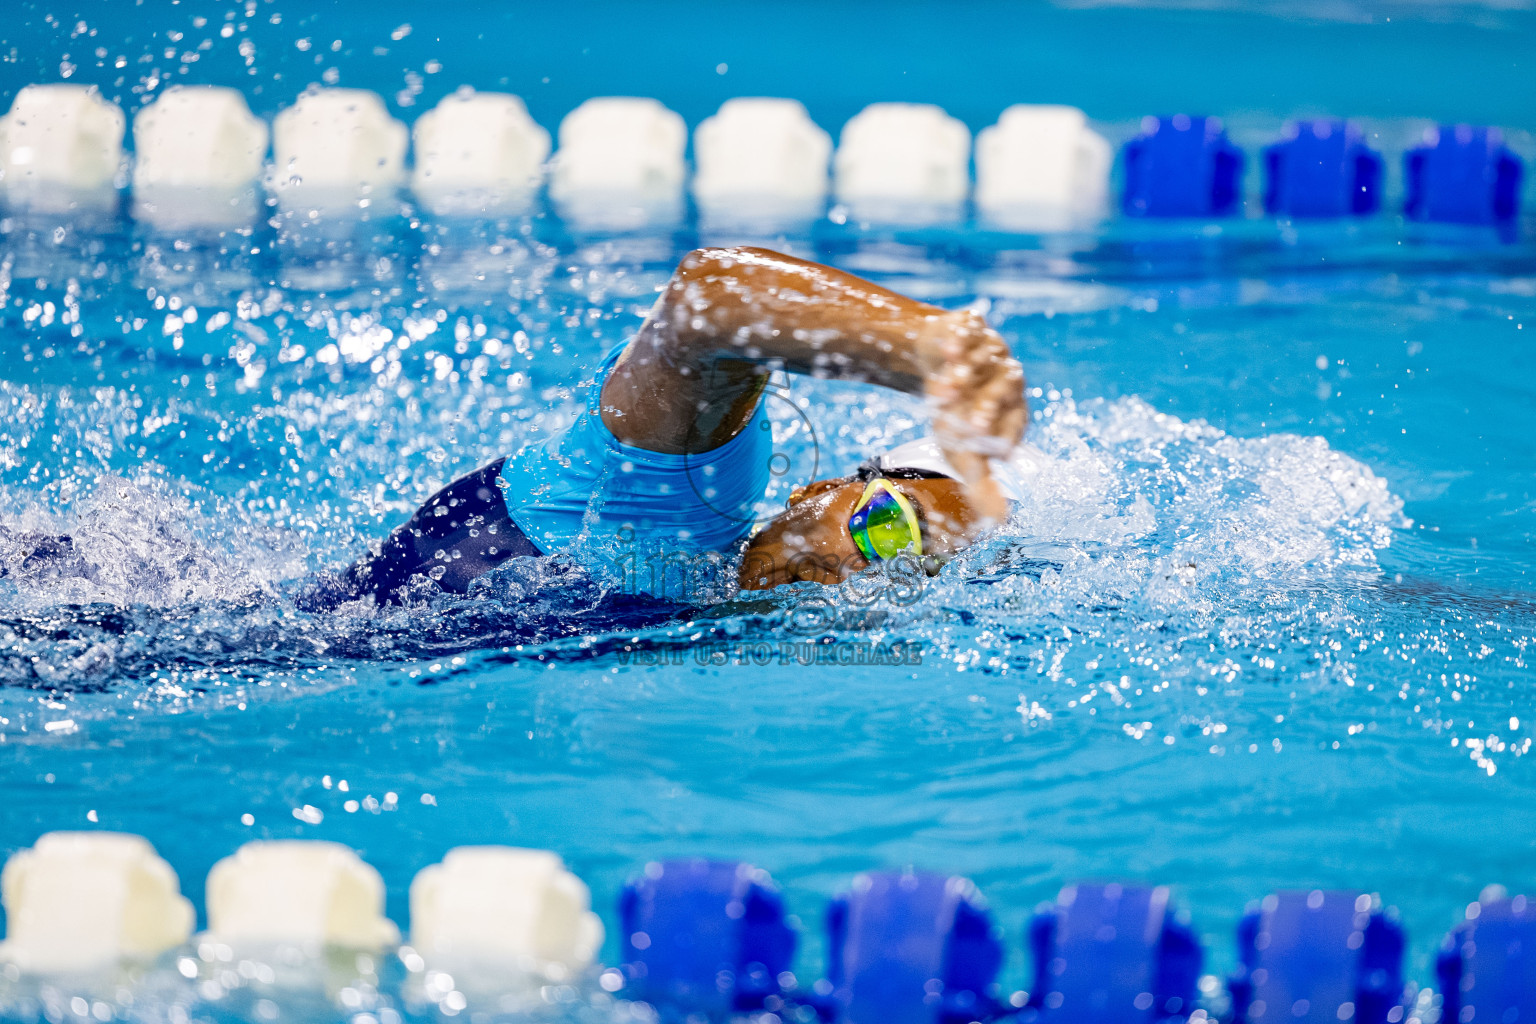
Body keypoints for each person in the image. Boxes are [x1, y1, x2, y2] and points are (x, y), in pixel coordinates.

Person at [313, 246, 1027, 606]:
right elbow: (712, 295)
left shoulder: (712, 610)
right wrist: (930, 344)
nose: (865, 571)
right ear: (822, 488)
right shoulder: (689, 497)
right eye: (890, 527)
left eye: (906, 574)